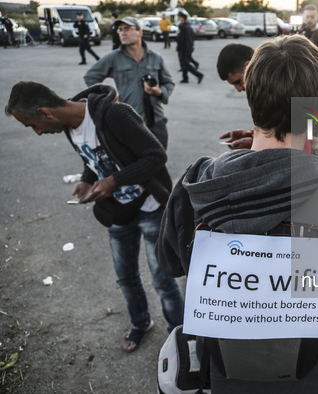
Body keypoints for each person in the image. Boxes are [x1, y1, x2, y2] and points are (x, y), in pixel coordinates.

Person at [156, 34, 318, 394]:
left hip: (225, 363)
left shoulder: (198, 181)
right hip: (306, 367)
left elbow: (170, 262)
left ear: (248, 95)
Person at [5, 81, 184, 352]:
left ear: (45, 113)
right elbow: (94, 158)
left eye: (32, 125)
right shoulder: (70, 128)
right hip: (118, 213)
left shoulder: (115, 115)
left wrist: (114, 181)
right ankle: (140, 322)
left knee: (163, 279)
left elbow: (156, 156)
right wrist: (88, 180)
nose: (38, 132)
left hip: (150, 210)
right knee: (126, 276)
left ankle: (179, 334)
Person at [84, 17, 174, 149]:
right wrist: (110, 98)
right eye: (120, 30)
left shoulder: (156, 57)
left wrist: (159, 91)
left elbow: (168, 83)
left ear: (140, 32)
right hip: (128, 123)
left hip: (156, 120)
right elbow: (91, 76)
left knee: (159, 163)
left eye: (127, 29)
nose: (122, 33)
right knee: (134, 165)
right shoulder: (113, 58)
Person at [177, 12, 203, 84]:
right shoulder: (189, 26)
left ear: (182, 18)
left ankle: (199, 75)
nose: (179, 19)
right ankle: (185, 78)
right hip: (189, 47)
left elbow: (181, 39)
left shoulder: (183, 27)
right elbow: (193, 37)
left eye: (180, 18)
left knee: (185, 64)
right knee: (185, 62)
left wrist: (179, 48)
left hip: (184, 48)